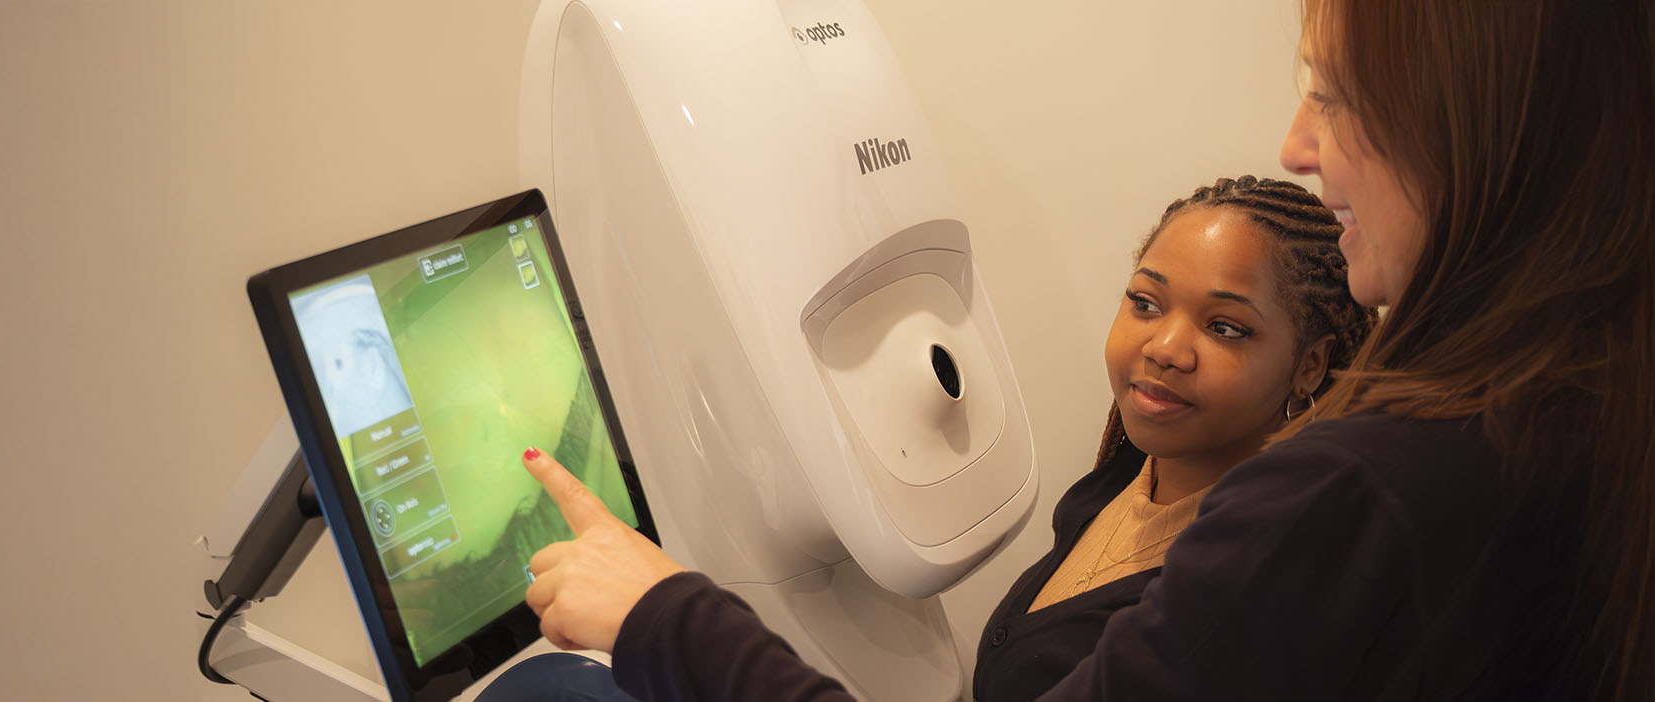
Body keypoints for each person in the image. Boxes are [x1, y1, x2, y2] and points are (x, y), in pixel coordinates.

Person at [521, 0, 1655, 699]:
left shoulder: (1363, 493)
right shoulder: (1564, 405)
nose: (1298, 143)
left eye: (1339, 97)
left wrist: (665, 614)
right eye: (1145, 299)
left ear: (1470, 130)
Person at [514, 173, 1377, 702]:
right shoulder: (1130, 472)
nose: (1164, 346)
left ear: (1311, 365)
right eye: (1145, 301)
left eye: (1225, 329)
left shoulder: (1247, 581)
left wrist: (666, 614)